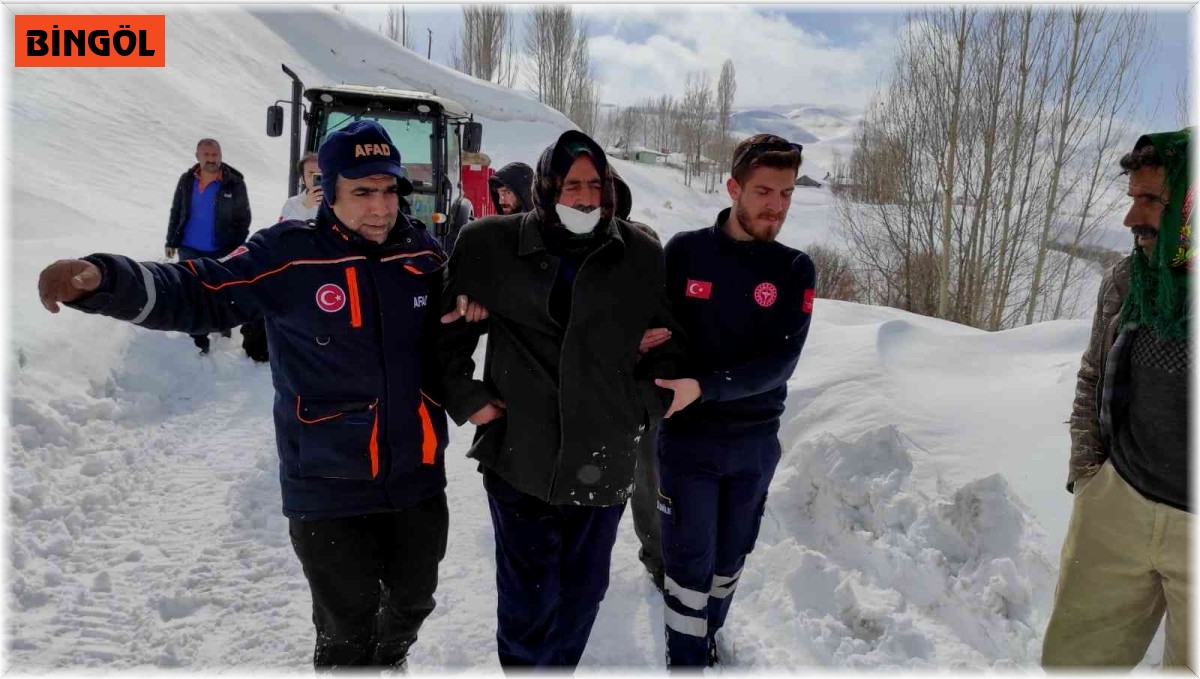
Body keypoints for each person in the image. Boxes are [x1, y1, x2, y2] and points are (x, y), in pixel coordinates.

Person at [38, 120, 449, 671]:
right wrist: (106, 281)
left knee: (411, 604)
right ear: (328, 190)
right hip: (327, 482)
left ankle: (391, 659)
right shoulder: (287, 255)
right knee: (346, 626)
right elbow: (199, 289)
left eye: (389, 191)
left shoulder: (422, 255)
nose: (380, 208)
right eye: (362, 192)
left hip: (417, 474)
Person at [436, 129, 684, 669]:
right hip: (520, 455)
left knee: (582, 594)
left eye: (596, 183)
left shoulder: (640, 254)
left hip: (605, 456)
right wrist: (469, 398)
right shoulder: (490, 243)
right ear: (548, 187)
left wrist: (640, 407)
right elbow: (444, 332)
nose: (585, 196)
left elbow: (668, 351)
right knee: (529, 598)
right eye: (571, 184)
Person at [653, 134, 816, 668]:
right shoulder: (685, 252)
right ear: (733, 188)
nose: (775, 206)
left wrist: (707, 384)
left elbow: (781, 363)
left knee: (729, 561)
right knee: (688, 561)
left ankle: (708, 637)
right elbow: (658, 333)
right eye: (764, 191)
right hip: (688, 440)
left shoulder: (794, 269)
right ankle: (684, 658)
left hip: (754, 444)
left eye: (786, 194)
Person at [1041, 128, 1193, 669]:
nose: (1132, 220)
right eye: (1133, 200)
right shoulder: (1128, 280)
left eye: (1151, 201)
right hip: (1117, 504)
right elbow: (1092, 375)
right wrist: (1089, 476)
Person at [611, 165, 670, 591]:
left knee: (646, 480)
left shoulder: (643, 241)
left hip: (641, 389)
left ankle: (658, 559)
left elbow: (663, 318)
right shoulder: (562, 254)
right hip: (587, 388)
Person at [164, 138, 253, 355]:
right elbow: (177, 211)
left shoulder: (234, 182)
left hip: (222, 249)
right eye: (206, 155)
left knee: (221, 291)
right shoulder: (187, 180)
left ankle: (224, 329)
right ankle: (198, 337)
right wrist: (171, 241)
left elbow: (244, 217)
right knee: (192, 292)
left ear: (220, 156)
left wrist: (236, 246)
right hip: (189, 248)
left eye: (214, 155)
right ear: (198, 157)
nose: (211, 160)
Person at [279, 152, 322, 221]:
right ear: (302, 179)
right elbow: (283, 230)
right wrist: (303, 207)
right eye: (311, 174)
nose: (316, 178)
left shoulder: (338, 203)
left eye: (321, 174)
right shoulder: (292, 203)